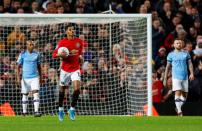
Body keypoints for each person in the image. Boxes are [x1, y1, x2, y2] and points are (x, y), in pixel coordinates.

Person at [52, 24, 83, 121]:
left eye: (73, 29)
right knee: (62, 90)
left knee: (77, 88)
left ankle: (72, 109)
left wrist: (80, 59)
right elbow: (54, 55)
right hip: (65, 69)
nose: (72, 31)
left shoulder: (79, 42)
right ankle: (60, 109)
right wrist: (61, 55)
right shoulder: (62, 42)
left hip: (75, 68)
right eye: (70, 29)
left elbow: (80, 55)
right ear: (66, 32)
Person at [164, 38, 194, 116]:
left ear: (182, 44)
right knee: (178, 92)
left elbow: (190, 63)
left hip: (185, 76)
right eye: (177, 43)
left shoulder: (186, 53)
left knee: (184, 96)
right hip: (176, 76)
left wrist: (192, 73)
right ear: (174, 45)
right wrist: (165, 78)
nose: (179, 44)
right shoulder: (170, 54)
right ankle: (180, 111)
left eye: (180, 43)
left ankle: (178, 107)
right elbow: (167, 67)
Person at [16, 40, 42, 117]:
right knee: (25, 94)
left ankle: (36, 111)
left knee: (36, 93)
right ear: (27, 46)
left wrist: (41, 76)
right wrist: (18, 77)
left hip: (34, 77)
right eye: (30, 44)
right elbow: (18, 67)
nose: (32, 46)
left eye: (32, 44)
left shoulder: (37, 54)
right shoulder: (22, 54)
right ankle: (24, 112)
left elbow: (39, 66)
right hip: (25, 78)